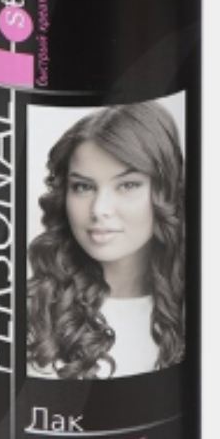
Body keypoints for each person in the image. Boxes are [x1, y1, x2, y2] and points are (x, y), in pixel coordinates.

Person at [27, 101, 185, 380]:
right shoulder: (30, 312)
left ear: (166, 191)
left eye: (127, 185)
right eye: (83, 187)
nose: (99, 209)